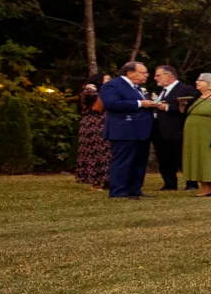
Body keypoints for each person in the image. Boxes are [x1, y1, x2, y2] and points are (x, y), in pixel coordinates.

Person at [98, 62, 165, 199]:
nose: (146, 76)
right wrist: (140, 103)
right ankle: (118, 191)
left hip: (141, 130)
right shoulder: (112, 85)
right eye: (143, 72)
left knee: (139, 161)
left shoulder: (137, 88)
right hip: (124, 129)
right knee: (123, 160)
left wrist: (152, 105)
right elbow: (112, 104)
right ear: (130, 73)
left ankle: (135, 189)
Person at [149, 66, 199, 191]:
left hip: (177, 129)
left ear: (168, 75)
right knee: (163, 158)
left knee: (182, 157)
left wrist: (167, 107)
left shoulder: (185, 89)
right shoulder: (159, 91)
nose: (155, 78)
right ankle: (169, 183)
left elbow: (189, 108)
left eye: (158, 75)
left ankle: (191, 183)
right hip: (159, 130)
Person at [74, 75, 111, 189]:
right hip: (93, 125)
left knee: (105, 153)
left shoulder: (97, 91)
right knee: (94, 153)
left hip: (101, 124)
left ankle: (106, 180)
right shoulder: (89, 90)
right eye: (107, 80)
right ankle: (95, 181)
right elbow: (98, 104)